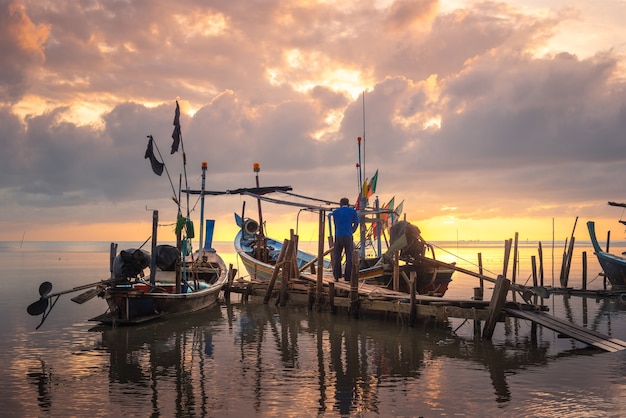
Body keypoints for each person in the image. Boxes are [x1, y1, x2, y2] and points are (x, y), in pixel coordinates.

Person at [332, 197, 359, 282]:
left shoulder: (335, 212)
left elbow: (335, 223)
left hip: (338, 235)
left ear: (340, 204)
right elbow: (356, 223)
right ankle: (347, 277)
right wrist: (352, 230)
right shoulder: (352, 211)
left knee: (337, 256)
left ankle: (337, 276)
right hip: (348, 235)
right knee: (349, 256)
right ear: (348, 204)